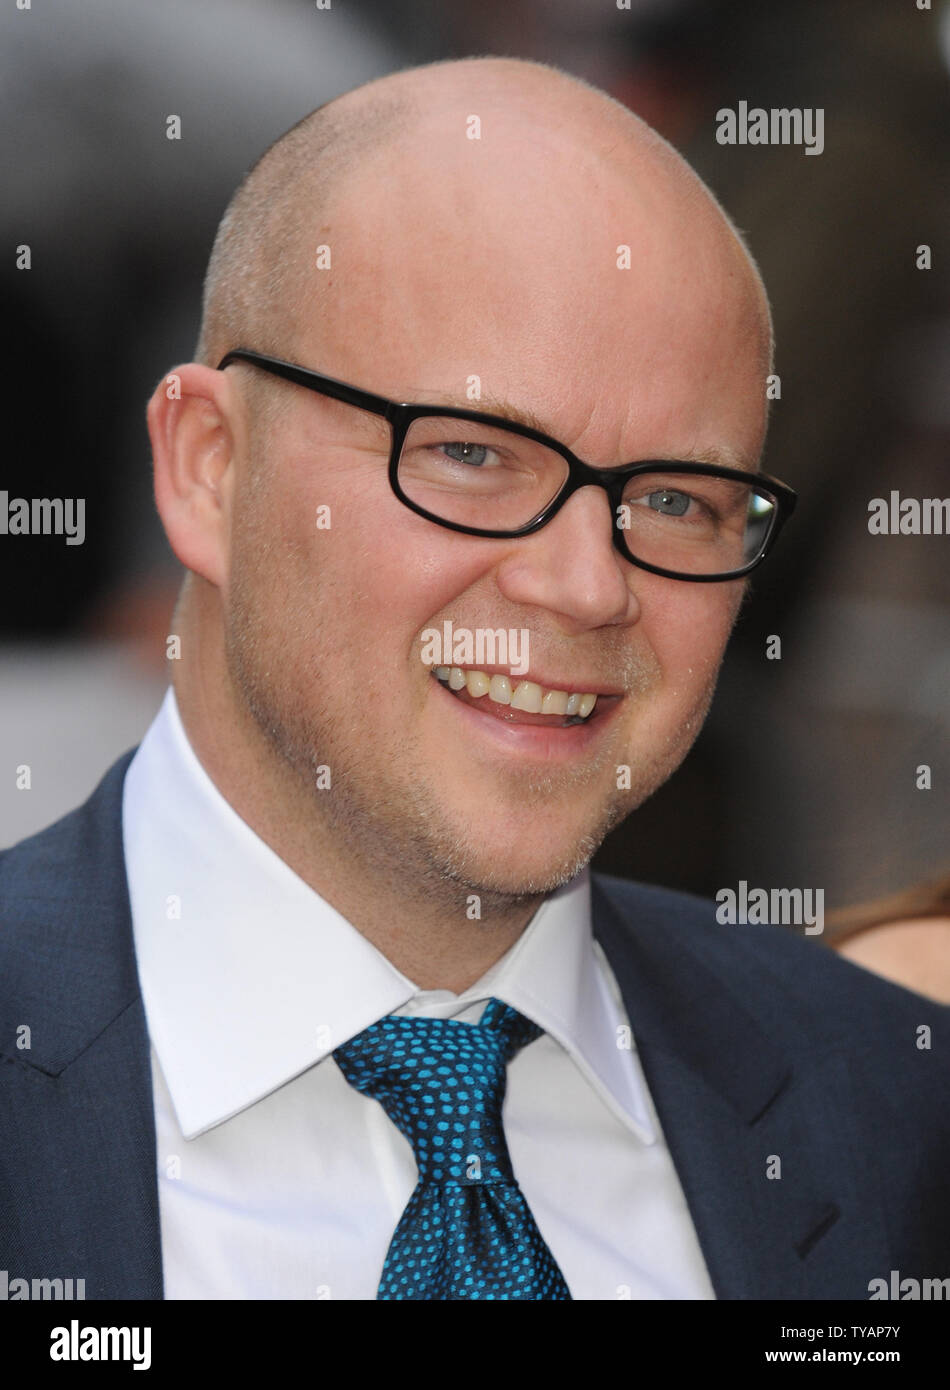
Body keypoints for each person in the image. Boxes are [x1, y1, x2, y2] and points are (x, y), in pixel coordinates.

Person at [1, 56, 946, 1302]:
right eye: (469, 454)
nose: (584, 585)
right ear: (209, 469)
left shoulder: (896, 1115)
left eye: (673, 499)